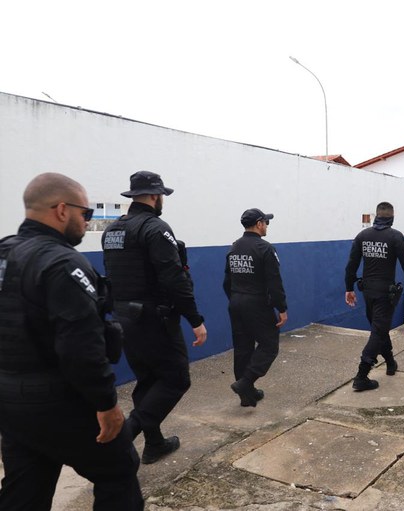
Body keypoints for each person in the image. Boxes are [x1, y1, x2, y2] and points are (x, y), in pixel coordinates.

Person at [0, 173, 143, 510]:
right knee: (119, 473)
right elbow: (81, 347)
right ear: (62, 210)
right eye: (86, 214)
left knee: (25, 487)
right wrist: (106, 405)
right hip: (60, 401)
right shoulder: (62, 263)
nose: (87, 221)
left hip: (10, 402)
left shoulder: (4, 252)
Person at [102, 170, 207, 465]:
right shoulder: (155, 227)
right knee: (175, 379)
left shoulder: (113, 230)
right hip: (153, 319)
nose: (163, 201)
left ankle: (155, 443)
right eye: (162, 196)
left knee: (148, 381)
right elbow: (174, 278)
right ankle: (125, 436)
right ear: (154, 196)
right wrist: (195, 319)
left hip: (123, 317)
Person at [344, 202, 404, 391]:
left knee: (380, 329)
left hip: (368, 292)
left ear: (376, 215)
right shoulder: (395, 236)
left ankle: (390, 362)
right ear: (392, 217)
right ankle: (361, 375)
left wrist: (349, 288)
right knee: (378, 331)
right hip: (385, 293)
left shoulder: (363, 236)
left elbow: (351, 264)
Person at [223, 208, 288, 407]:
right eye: (266, 222)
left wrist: (235, 299)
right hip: (257, 304)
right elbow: (274, 282)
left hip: (236, 302)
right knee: (269, 345)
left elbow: (227, 281)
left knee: (243, 347)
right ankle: (245, 383)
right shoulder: (265, 248)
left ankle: (247, 395)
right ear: (259, 223)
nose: (267, 226)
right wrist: (282, 308)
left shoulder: (234, 247)